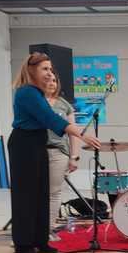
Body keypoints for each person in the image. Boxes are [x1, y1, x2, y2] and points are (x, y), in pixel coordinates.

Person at [9, 53, 100, 253]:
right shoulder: (26, 92)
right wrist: (82, 135)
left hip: (38, 143)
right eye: (45, 69)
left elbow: (53, 117)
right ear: (31, 70)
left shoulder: (37, 93)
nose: (50, 73)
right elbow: (49, 118)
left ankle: (40, 240)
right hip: (24, 144)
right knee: (26, 196)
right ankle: (23, 244)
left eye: (50, 69)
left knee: (42, 193)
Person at [44, 75, 79, 238]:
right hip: (36, 151)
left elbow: (74, 133)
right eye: (48, 80)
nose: (51, 84)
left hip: (58, 153)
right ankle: (32, 230)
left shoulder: (64, 105)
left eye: (54, 81)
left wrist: (74, 156)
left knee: (54, 192)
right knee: (35, 192)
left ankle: (48, 229)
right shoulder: (36, 102)